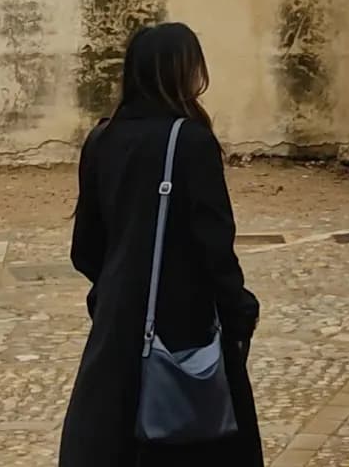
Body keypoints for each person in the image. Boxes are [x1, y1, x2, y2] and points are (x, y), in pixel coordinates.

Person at [58, 23, 263, 467]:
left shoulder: (101, 139)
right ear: (180, 72)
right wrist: (239, 310)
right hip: (183, 328)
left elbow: (85, 249)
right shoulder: (190, 141)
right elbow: (215, 247)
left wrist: (119, 286)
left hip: (116, 330)